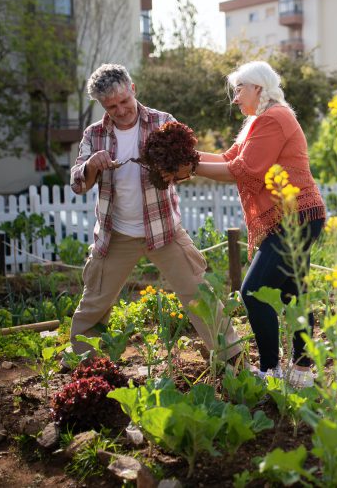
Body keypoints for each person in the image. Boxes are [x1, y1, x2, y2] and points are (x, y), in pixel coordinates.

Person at [68, 63, 241, 364]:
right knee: (94, 303)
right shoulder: (94, 134)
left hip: (164, 230)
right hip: (116, 234)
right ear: (102, 105)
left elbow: (187, 167)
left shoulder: (163, 122)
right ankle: (83, 368)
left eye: (124, 101)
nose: (120, 110)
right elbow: (77, 183)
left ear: (133, 89)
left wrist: (172, 168)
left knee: (199, 294)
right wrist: (91, 166)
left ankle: (232, 360)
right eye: (112, 106)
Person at [177, 61, 326, 387]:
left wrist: (189, 167)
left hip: (294, 217)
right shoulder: (261, 120)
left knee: (254, 291)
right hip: (298, 215)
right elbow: (230, 159)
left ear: (257, 88)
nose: (235, 99)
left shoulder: (274, 118)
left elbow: (243, 170)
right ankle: (301, 372)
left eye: (239, 90)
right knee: (292, 293)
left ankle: (272, 370)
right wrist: (187, 157)